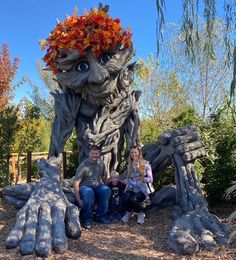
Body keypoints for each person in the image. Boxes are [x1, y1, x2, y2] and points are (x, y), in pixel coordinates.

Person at [73, 145, 112, 229]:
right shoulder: (84, 165)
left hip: (97, 186)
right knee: (88, 192)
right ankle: (87, 218)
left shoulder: (101, 164)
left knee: (106, 190)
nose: (94, 155)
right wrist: (78, 199)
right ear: (89, 153)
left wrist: (110, 185)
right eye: (93, 153)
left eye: (96, 153)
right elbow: (76, 183)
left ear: (99, 154)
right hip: (85, 187)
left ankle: (100, 216)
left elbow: (104, 178)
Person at [121, 146, 153, 225]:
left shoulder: (145, 164)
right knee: (126, 196)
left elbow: (150, 179)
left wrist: (141, 178)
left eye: (135, 152)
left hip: (142, 189)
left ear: (139, 153)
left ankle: (140, 214)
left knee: (133, 199)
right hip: (132, 187)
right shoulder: (130, 165)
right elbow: (128, 178)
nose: (133, 154)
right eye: (132, 152)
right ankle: (129, 212)